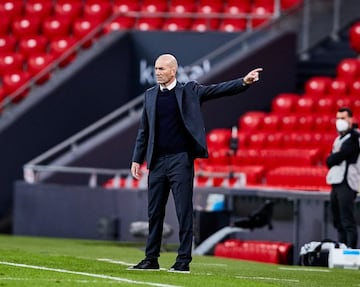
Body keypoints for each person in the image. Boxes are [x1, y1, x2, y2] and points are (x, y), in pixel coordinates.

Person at [128, 53, 263, 273]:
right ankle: (151, 259)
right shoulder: (150, 95)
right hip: (157, 162)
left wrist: (243, 82)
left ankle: (183, 261)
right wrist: (137, 158)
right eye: (155, 68)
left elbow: (218, 89)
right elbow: (144, 130)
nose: (157, 72)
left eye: (162, 69)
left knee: (183, 211)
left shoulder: (189, 90)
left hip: (180, 159)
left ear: (173, 70)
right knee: (154, 213)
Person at [326, 107, 360, 248]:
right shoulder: (339, 138)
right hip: (336, 182)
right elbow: (331, 160)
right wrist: (334, 157)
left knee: (347, 221)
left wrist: (334, 157)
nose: (340, 121)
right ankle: (342, 249)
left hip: (347, 182)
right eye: (338, 118)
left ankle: (351, 253)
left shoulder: (354, 137)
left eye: (343, 118)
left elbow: (336, 158)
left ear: (350, 119)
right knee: (338, 221)